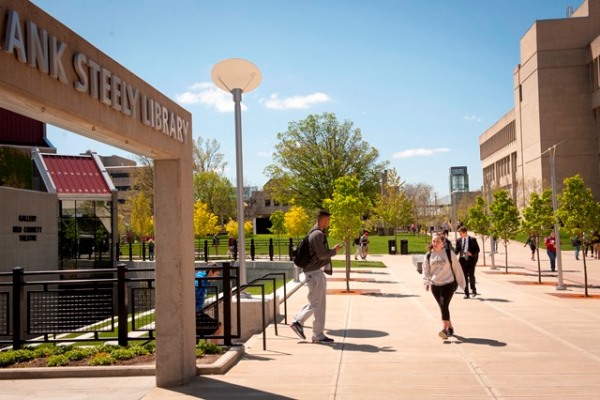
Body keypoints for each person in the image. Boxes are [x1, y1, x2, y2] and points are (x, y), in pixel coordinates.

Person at [290, 210, 343, 344]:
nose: (329, 223)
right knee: (318, 304)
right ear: (323, 220)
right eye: (328, 220)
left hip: (311, 273)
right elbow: (322, 255)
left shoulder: (312, 233)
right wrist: (334, 251)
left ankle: (307, 327)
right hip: (315, 273)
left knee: (316, 302)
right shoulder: (318, 234)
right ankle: (307, 327)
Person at [423, 232, 466, 339]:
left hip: (448, 284)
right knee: (443, 307)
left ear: (443, 242)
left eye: (438, 241)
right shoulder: (428, 255)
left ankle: (444, 329)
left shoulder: (449, 253)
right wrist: (426, 282)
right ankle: (450, 327)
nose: (435, 243)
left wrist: (463, 284)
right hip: (435, 285)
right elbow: (425, 271)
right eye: (433, 241)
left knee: (443, 304)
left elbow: (457, 268)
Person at [195, 263, 224, 341]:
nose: (217, 277)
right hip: (195, 314)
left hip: (198, 312)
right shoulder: (200, 282)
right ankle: (212, 349)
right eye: (217, 274)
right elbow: (193, 297)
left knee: (197, 337)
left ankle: (211, 349)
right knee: (218, 327)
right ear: (211, 271)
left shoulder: (205, 279)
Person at [455, 227, 480, 299]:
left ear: (465, 232)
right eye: (459, 234)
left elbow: (477, 249)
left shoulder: (472, 240)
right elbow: (457, 250)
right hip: (462, 260)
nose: (460, 235)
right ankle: (466, 293)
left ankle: (473, 289)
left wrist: (471, 253)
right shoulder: (459, 240)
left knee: (471, 275)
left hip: (471, 260)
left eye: (461, 233)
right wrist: (452, 253)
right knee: (464, 277)